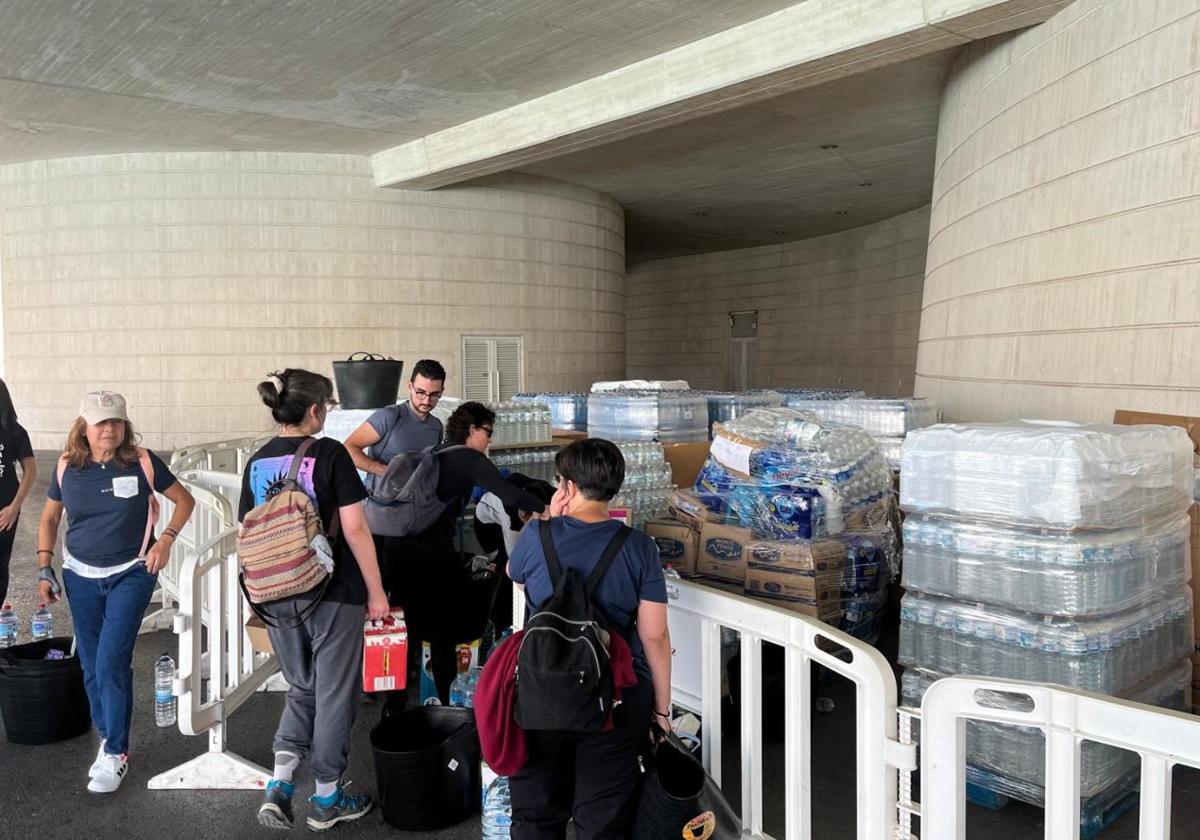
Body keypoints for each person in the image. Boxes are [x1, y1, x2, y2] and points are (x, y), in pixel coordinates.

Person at [238, 369, 390, 832]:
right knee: (334, 691)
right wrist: (377, 593)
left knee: (301, 686)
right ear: (315, 409)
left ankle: (280, 783)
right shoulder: (328, 453)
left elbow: (249, 528)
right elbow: (356, 529)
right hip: (331, 590)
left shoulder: (257, 461)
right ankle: (326, 796)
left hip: (274, 592)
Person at [507, 439, 672, 840]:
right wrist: (662, 711)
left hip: (542, 687)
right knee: (603, 817)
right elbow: (654, 635)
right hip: (615, 694)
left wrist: (549, 517)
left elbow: (515, 573)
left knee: (537, 814)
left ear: (567, 487)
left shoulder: (537, 535)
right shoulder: (638, 547)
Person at [35, 391, 195, 794]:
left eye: (116, 422)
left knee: (110, 659)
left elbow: (183, 501)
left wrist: (166, 541)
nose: (109, 429)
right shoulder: (67, 466)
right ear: (84, 427)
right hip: (79, 574)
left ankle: (117, 752)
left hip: (132, 571)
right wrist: (43, 566)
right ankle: (108, 737)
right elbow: (50, 517)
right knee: (91, 663)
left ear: (124, 425)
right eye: (100, 422)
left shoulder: (141, 461)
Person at [386, 401, 547, 710]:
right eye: (488, 432)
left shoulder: (434, 452)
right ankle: (446, 705)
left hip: (397, 552)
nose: (490, 439)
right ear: (472, 429)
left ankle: (393, 706)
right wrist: (548, 508)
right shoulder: (470, 459)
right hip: (433, 556)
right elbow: (510, 493)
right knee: (442, 633)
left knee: (405, 628)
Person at [344, 359, 445, 623]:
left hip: (413, 521)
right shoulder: (389, 416)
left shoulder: (436, 427)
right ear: (410, 387)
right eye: (420, 392)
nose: (426, 400)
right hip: (380, 520)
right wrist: (385, 471)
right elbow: (348, 448)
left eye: (434, 395)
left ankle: (402, 657)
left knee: (407, 594)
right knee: (376, 594)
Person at [0, 378, 36, 604]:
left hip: (5, 511)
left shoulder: (14, 431)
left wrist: (14, 508)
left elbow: (30, 471)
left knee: (0, 564)